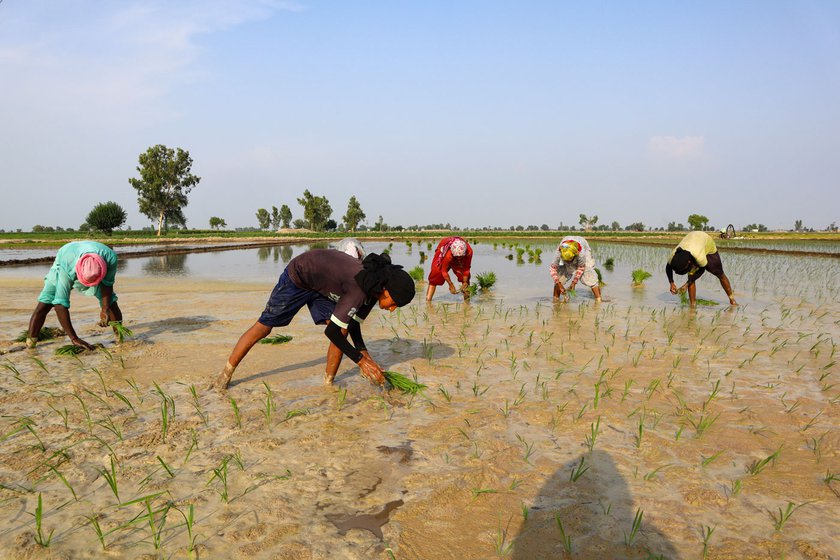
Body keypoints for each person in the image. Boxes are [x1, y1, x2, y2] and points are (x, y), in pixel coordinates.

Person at [211, 250, 416, 391]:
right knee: (264, 327)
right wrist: (361, 362)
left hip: (324, 285)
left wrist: (367, 358)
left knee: (342, 328)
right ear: (386, 290)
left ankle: (328, 385)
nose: (391, 309)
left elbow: (352, 325)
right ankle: (225, 376)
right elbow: (332, 333)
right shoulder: (360, 289)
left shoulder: (373, 289)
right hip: (299, 275)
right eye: (394, 304)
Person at [27, 240, 122, 350]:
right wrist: (74, 338)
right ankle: (30, 343)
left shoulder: (110, 258)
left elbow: (107, 284)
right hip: (67, 255)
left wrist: (105, 308)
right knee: (46, 302)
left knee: (110, 302)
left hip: (93, 257)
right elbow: (60, 304)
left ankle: (119, 339)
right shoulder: (67, 266)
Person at [666, 231, 737, 307]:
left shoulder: (698, 256)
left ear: (689, 262)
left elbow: (702, 269)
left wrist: (686, 284)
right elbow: (668, 267)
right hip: (692, 239)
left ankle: (732, 299)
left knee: (719, 273)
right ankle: (692, 305)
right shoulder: (673, 256)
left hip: (706, 243)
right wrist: (671, 283)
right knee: (691, 275)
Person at [550, 236, 602, 302]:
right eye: (567, 261)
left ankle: (599, 300)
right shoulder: (559, 253)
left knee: (588, 274)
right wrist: (559, 284)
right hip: (566, 248)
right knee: (560, 275)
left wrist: (574, 283)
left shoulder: (581, 254)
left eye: (570, 260)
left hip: (582, 245)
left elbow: (581, 268)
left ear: (575, 255)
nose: (569, 263)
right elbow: (552, 269)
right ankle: (555, 301)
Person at [426, 236, 472, 301]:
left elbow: (466, 268)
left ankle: (467, 302)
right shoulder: (448, 255)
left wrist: (465, 282)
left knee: (465, 279)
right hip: (445, 251)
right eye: (456, 257)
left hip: (460, 254)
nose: (458, 259)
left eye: (460, 257)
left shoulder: (469, 252)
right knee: (436, 272)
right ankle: (428, 301)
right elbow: (444, 271)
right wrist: (450, 284)